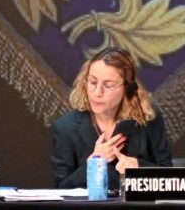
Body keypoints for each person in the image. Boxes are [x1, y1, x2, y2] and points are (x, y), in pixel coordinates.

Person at [50, 47, 173, 187]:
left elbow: (169, 178)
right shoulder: (65, 128)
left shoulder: (148, 119)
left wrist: (139, 167)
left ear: (127, 87)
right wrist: (93, 163)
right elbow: (61, 188)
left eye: (108, 85)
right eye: (92, 82)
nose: (97, 92)